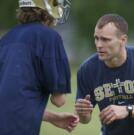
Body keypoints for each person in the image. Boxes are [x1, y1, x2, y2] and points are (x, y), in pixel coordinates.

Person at [0, 0, 79, 135]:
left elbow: (12, 102)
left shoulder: (6, 39)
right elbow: (59, 100)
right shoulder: (49, 37)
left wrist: (52, 118)